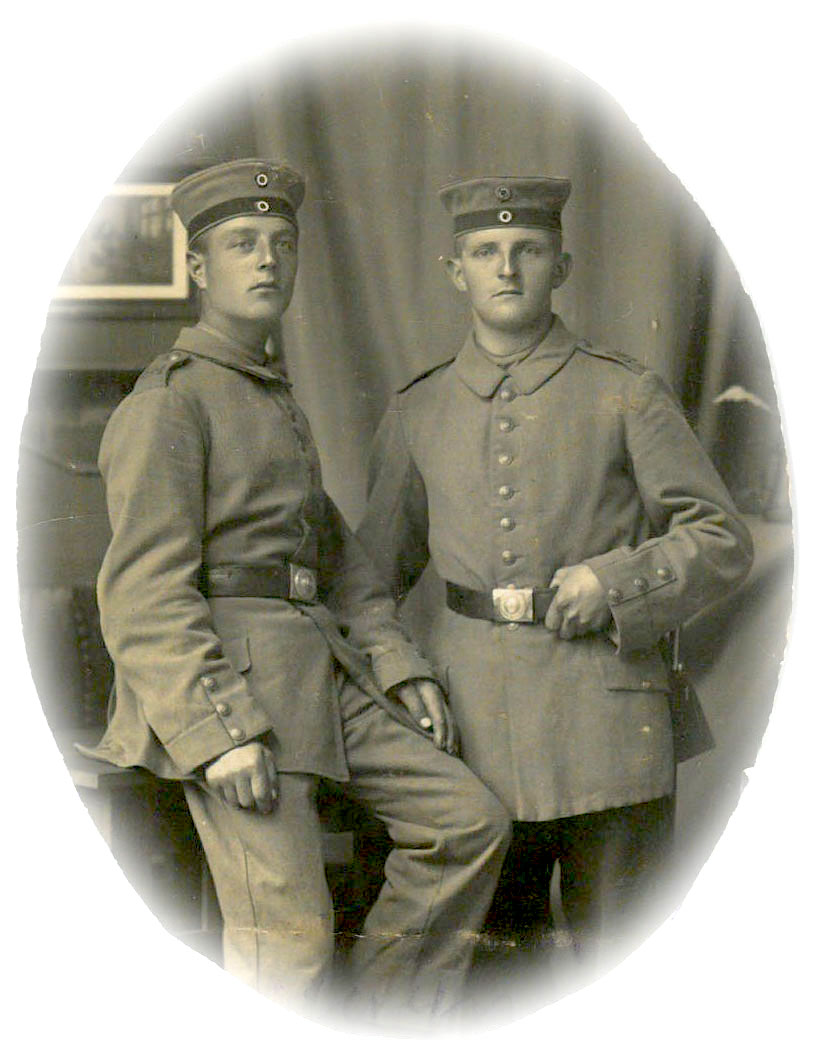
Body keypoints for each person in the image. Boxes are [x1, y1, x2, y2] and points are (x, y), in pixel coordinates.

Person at [78, 159, 510, 1026]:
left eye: (281, 241)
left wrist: (399, 666)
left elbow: (339, 565)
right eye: (243, 243)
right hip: (237, 692)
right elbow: (142, 596)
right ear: (199, 268)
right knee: (291, 947)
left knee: (467, 822)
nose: (268, 258)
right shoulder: (171, 403)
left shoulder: (269, 396)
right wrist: (220, 733)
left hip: (321, 674)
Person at [357, 176, 753, 979]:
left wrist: (617, 582)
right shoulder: (419, 409)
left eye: (528, 250)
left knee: (629, 970)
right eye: (485, 252)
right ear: (455, 271)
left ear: (562, 267)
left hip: (612, 731)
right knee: (501, 984)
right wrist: (401, 670)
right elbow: (364, 583)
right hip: (475, 739)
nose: (507, 268)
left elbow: (722, 539)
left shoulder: (624, 391)